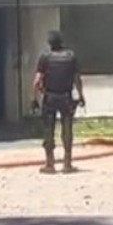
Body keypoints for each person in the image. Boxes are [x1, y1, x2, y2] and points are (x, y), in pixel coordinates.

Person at [32, 30, 85, 174]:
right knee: (67, 129)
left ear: (50, 43)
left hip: (50, 96)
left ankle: (50, 164)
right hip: (66, 97)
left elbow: (37, 81)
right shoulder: (71, 57)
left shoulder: (45, 58)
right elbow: (77, 79)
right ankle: (67, 163)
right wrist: (80, 96)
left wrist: (36, 98)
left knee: (48, 129)